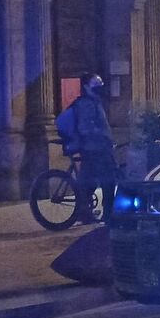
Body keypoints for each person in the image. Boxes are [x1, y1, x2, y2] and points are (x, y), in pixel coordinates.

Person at [55, 74, 117, 223]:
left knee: (89, 181)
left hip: (93, 147)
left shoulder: (92, 101)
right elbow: (86, 127)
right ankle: (107, 214)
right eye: (96, 85)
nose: (100, 88)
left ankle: (85, 213)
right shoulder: (87, 104)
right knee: (107, 181)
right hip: (95, 148)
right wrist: (103, 136)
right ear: (86, 87)